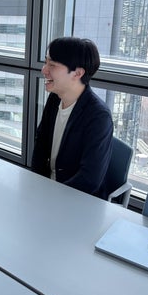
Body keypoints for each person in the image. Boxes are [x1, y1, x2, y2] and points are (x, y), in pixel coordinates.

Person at [31, 37, 114, 199]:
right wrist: (38, 186)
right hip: (49, 191)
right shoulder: (55, 98)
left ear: (77, 73)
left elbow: (89, 180)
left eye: (52, 65)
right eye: (46, 62)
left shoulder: (99, 117)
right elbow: (41, 143)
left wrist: (52, 196)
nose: (44, 70)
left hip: (78, 200)